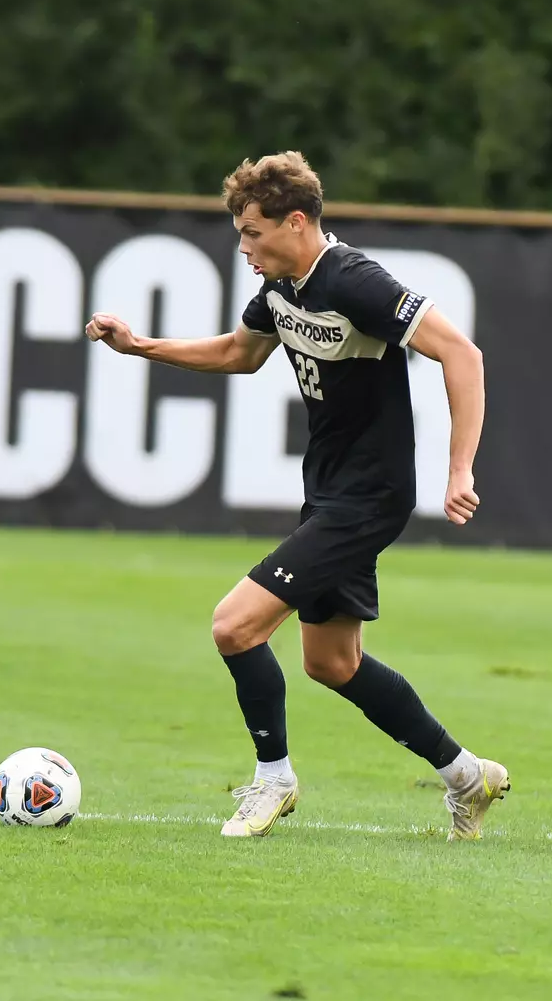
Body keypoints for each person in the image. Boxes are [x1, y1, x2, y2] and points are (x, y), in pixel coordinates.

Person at [86, 151, 508, 840]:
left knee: (234, 625)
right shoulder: (283, 288)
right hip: (330, 493)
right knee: (331, 663)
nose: (244, 247)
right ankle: (467, 775)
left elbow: (464, 355)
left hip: (370, 497)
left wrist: (460, 470)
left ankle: (273, 779)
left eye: (253, 233)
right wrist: (139, 347)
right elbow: (236, 354)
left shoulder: (356, 280)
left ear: (297, 221)